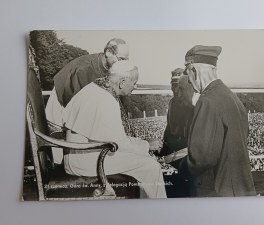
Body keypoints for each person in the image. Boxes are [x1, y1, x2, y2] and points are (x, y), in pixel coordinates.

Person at [62, 60, 167, 199]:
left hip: (81, 154)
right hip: (85, 160)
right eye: (134, 82)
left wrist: (143, 146)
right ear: (122, 82)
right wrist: (147, 145)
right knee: (151, 167)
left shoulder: (94, 87)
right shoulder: (106, 99)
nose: (135, 86)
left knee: (143, 158)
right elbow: (119, 143)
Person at [179, 45, 256, 197]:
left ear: (193, 70)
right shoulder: (231, 97)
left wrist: (180, 166)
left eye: (188, 75)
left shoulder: (207, 101)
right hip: (240, 187)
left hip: (218, 190)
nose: (189, 82)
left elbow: (202, 159)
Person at [46, 38, 130, 164]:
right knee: (61, 159)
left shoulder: (108, 67)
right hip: (61, 106)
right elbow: (79, 108)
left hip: (73, 103)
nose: (123, 64)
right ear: (108, 53)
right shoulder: (85, 69)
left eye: (126, 60)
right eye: (121, 59)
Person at [160, 68, 194, 168]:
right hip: (173, 151)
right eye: (173, 85)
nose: (175, 89)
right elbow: (169, 128)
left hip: (185, 152)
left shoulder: (192, 105)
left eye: (179, 86)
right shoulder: (172, 103)